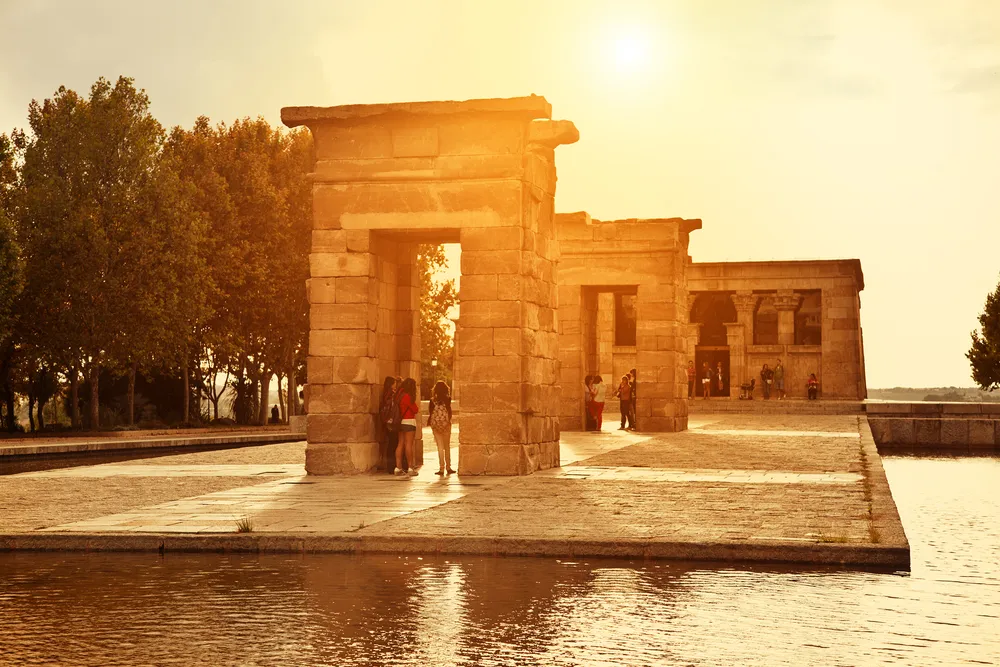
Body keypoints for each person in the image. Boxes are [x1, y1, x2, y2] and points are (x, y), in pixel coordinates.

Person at [427, 380, 455, 475]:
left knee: (440, 447)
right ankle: (448, 467)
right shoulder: (448, 399)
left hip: (436, 426)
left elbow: (431, 413)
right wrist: (447, 422)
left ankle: (441, 468)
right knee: (447, 446)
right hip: (446, 425)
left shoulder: (432, 400)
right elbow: (449, 412)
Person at [395, 378, 419, 476]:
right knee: (409, 444)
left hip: (400, 422)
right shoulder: (408, 396)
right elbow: (415, 409)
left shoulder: (399, 395)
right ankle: (410, 467)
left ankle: (398, 468)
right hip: (409, 421)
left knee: (400, 443)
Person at [378, 376, 399, 472]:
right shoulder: (391, 394)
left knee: (391, 443)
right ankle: (392, 466)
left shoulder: (385, 393)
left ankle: (390, 465)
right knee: (393, 443)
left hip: (387, 421)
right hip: (391, 421)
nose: (396, 384)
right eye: (394, 383)